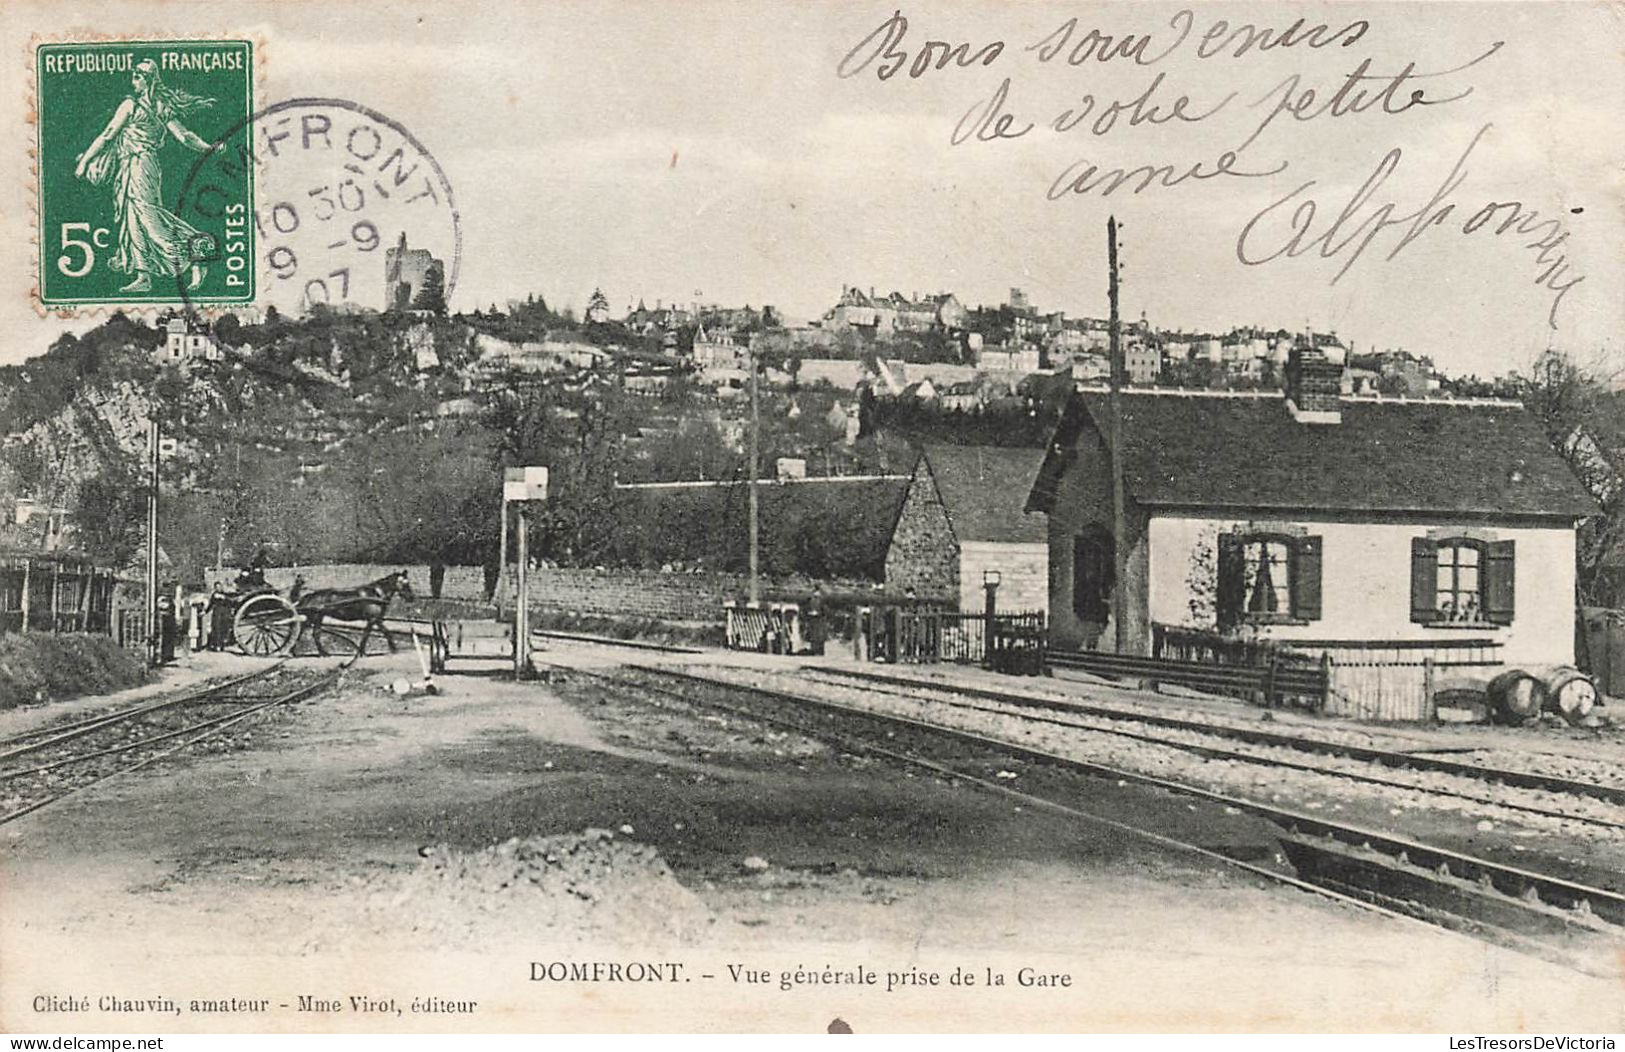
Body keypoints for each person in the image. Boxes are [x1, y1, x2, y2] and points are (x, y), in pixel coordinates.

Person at [73, 59, 216, 293]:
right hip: (134, 166)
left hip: (140, 165)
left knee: (149, 218)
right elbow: (185, 136)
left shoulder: (133, 106)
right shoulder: (157, 106)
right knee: (133, 219)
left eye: (137, 76)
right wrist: (208, 148)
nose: (133, 79)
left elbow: (108, 134)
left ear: (147, 80)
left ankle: (198, 253)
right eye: (133, 75)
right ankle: (143, 275)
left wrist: (86, 161)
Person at [805, 584, 827, 656]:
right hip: (814, 618)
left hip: (819, 619)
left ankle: (819, 651)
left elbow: (824, 610)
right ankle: (815, 650)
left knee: (818, 635)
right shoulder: (813, 599)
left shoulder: (820, 599)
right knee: (814, 635)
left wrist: (819, 613)